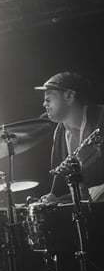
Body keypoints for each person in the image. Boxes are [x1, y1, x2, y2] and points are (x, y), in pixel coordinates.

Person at [36, 72, 104, 203]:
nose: (44, 104)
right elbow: (63, 186)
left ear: (69, 96)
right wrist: (55, 198)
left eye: (48, 99)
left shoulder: (102, 117)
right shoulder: (60, 132)